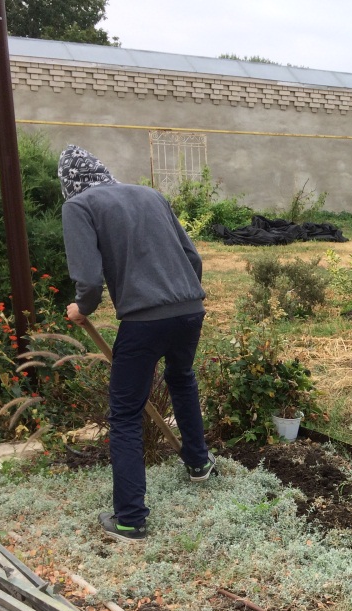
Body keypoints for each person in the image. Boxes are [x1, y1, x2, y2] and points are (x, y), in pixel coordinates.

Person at [58, 145, 217, 542]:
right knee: (182, 379)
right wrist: (185, 295)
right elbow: (192, 257)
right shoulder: (150, 194)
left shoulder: (79, 205)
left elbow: (90, 281)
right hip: (190, 309)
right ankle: (199, 464)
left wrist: (82, 307)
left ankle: (130, 519)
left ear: (69, 182)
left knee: (126, 415)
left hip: (145, 321)